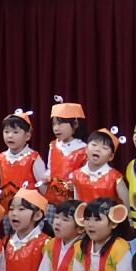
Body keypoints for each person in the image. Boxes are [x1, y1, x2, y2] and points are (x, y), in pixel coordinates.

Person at [0, 108, 48, 215]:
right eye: (6, 131)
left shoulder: (33, 158)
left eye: (15, 132)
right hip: (7, 209)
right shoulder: (1, 158)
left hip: (29, 210)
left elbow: (43, 188)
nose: (10, 135)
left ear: (27, 136)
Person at [45, 95, 87, 224]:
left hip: (72, 200)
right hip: (52, 199)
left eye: (60, 123)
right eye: (54, 124)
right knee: (52, 228)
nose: (56, 128)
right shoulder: (53, 145)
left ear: (75, 124)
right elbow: (49, 168)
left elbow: (86, 176)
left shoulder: (84, 149)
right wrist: (46, 176)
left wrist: (76, 184)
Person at [73, 126, 129, 206]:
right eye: (94, 145)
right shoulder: (76, 175)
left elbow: (126, 207)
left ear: (111, 157)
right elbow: (77, 204)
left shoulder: (116, 178)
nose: (97, 149)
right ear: (86, 149)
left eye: (104, 148)